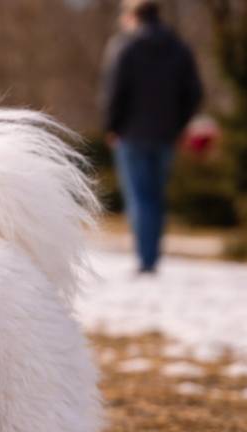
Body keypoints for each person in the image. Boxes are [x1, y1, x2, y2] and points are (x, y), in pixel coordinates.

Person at [102, 0, 202, 274]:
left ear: (132, 16)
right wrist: (178, 125)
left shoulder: (125, 46)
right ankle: (153, 256)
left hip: (131, 134)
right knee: (156, 197)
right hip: (166, 135)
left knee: (139, 197)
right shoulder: (178, 48)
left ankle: (146, 260)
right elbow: (194, 93)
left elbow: (114, 92)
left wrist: (112, 127)